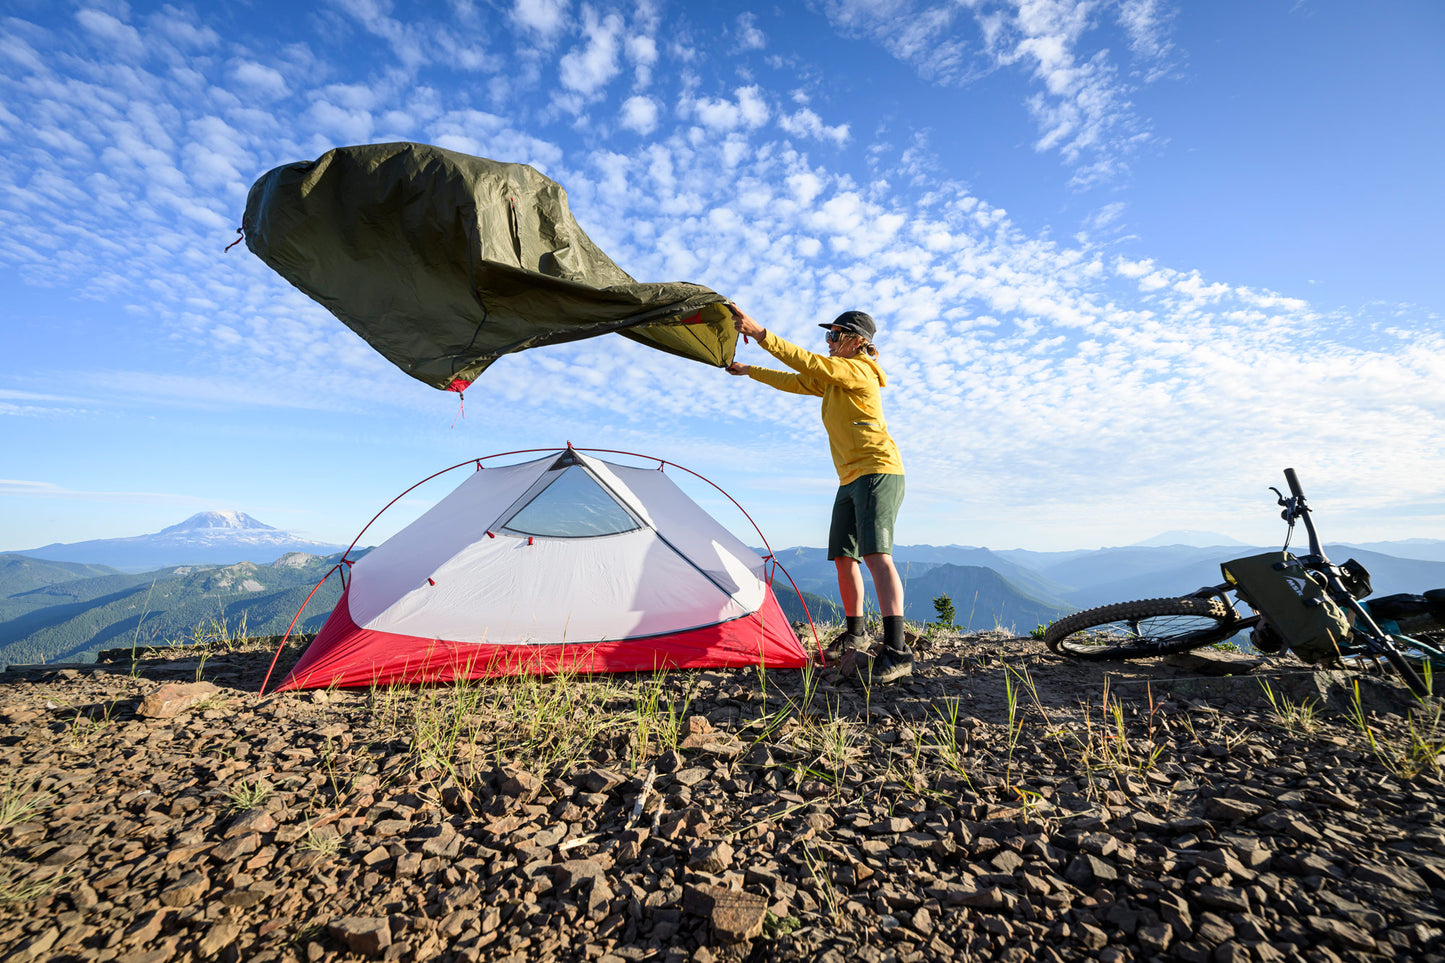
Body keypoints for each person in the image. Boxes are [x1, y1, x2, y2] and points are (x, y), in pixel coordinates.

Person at [725, 306, 912, 683]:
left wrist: (762, 335)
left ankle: (897, 650)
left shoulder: (857, 370)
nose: (828, 342)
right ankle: (855, 635)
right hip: (850, 478)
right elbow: (796, 379)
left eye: (836, 335)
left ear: (858, 342)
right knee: (845, 557)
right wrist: (750, 372)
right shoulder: (833, 378)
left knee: (876, 556)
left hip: (878, 471)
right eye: (828, 335)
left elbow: (808, 362)